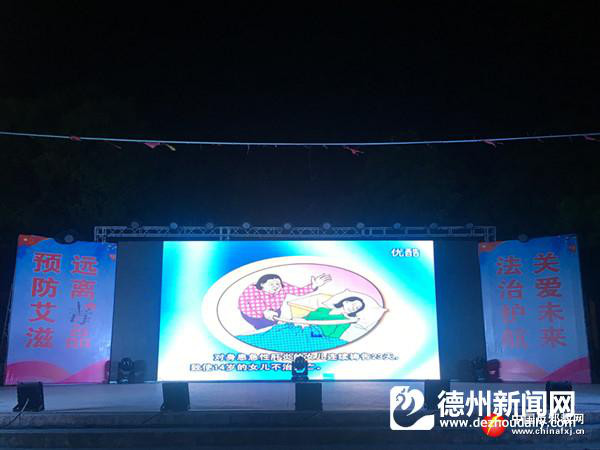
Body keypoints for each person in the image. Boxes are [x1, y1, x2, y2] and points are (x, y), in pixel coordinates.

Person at [238, 272, 332, 329]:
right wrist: (265, 311)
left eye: (277, 284)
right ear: (262, 284)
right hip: (253, 315)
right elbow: (255, 303)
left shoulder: (283, 287)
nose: (275, 286)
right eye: (271, 284)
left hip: (274, 311)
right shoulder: (252, 289)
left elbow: (299, 291)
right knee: (263, 328)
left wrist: (314, 286)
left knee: (275, 326)